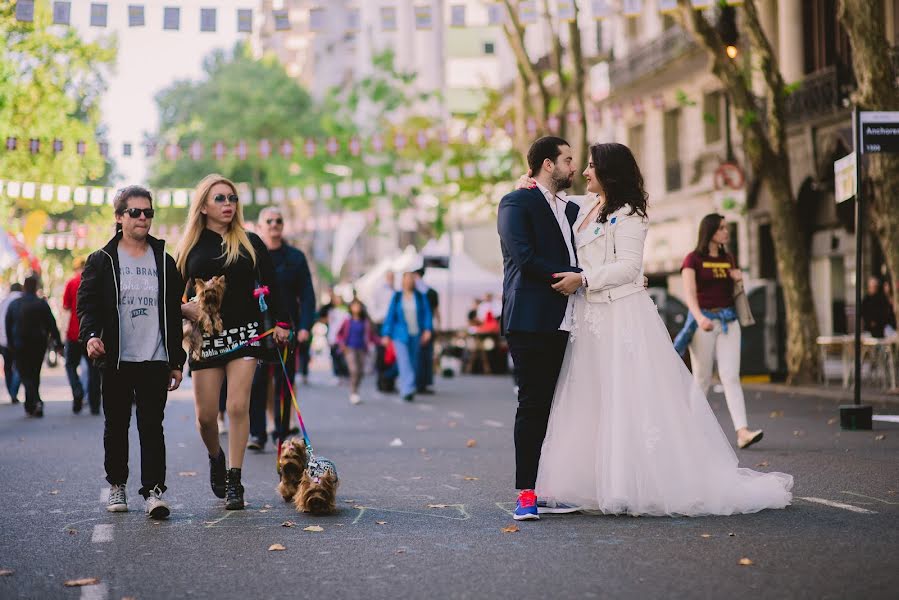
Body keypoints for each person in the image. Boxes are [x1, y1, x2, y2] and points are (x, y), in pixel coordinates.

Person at [537, 142, 792, 518]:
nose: (585, 172)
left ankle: (626, 485)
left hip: (622, 316)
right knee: (595, 399)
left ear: (609, 173)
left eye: (592, 167)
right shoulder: (586, 206)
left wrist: (584, 278)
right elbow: (550, 193)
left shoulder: (631, 216)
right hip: (590, 320)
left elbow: (628, 268)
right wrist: (529, 181)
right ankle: (593, 482)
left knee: (627, 398)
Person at [176, 174, 289, 510]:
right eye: (220, 199)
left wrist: (282, 324)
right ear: (203, 206)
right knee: (207, 417)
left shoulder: (251, 242)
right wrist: (186, 309)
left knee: (239, 406)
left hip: (246, 335)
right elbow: (172, 294)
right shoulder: (189, 249)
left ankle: (235, 479)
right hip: (206, 338)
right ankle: (215, 455)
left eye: (232, 198)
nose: (228, 205)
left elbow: (273, 285)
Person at [497, 136, 582, 520]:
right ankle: (526, 493)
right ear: (548, 164)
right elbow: (524, 256)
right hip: (530, 318)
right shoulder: (516, 202)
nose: (573, 167)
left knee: (555, 407)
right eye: (567, 160)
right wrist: (577, 275)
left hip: (567, 319)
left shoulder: (567, 208)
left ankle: (548, 487)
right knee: (532, 405)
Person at [680, 214, 763, 450]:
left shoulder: (728, 258)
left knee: (730, 376)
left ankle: (742, 432)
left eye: (726, 228)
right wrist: (700, 318)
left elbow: (735, 294)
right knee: (702, 378)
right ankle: (690, 432)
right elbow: (689, 294)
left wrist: (738, 280)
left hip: (729, 320)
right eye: (722, 228)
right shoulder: (692, 259)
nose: (726, 232)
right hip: (704, 321)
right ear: (710, 232)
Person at [247, 207, 316, 452]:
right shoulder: (250, 256)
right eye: (269, 221)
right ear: (259, 226)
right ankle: (257, 434)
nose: (274, 224)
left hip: (287, 329)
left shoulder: (296, 258)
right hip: (257, 329)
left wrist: (306, 326)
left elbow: (307, 295)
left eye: (279, 220)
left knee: (284, 383)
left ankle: (281, 432)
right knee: (256, 383)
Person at [5, 275, 62, 418]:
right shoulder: (41, 304)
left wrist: (10, 344)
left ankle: (33, 402)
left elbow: (8, 325)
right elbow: (51, 324)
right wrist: (58, 342)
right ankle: (33, 402)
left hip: (20, 345)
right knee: (34, 374)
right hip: (38, 344)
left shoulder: (15, 304)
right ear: (36, 287)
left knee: (25, 374)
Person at [381, 271, 433, 402]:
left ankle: (405, 384)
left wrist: (428, 329)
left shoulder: (421, 297)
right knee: (404, 361)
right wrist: (386, 334)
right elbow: (390, 316)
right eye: (407, 279)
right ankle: (407, 389)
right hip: (400, 335)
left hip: (416, 333)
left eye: (411, 279)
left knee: (413, 361)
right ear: (403, 281)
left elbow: (427, 314)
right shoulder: (397, 297)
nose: (409, 281)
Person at [62, 257, 101, 415]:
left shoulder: (71, 283)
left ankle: (77, 390)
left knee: (70, 365)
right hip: (92, 332)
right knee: (94, 369)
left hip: (73, 333)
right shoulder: (97, 282)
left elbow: (65, 307)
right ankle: (94, 404)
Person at [336, 299, 379, 404]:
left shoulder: (366, 322)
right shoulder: (347, 321)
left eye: (358, 306)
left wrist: (381, 341)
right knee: (354, 370)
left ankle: (356, 390)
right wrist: (342, 345)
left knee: (360, 372)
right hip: (349, 348)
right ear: (350, 308)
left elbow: (372, 336)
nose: (356, 308)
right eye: (354, 306)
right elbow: (339, 334)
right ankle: (353, 392)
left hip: (362, 349)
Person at [416, 271, 439, 394]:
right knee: (422, 356)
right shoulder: (428, 292)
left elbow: (434, 311)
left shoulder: (426, 293)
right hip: (421, 328)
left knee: (424, 356)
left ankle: (421, 383)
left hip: (424, 328)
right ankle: (420, 383)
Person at [0, 282, 23, 404]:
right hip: (17, 340)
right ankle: (14, 391)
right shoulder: (21, 301)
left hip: (3, 341)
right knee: (19, 365)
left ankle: (11, 391)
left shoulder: (3, 302)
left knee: (7, 366)